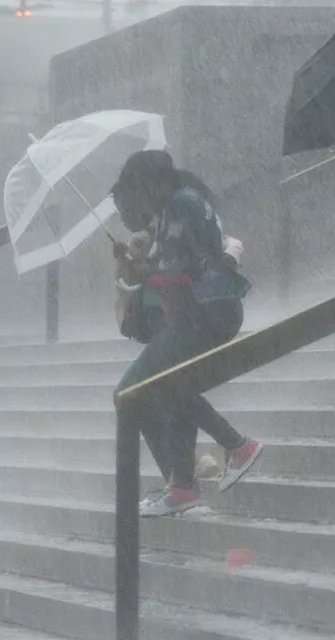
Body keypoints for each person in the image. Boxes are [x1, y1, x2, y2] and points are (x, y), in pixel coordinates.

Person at [111, 150, 263, 517]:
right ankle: (189, 479)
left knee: (133, 392)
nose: (136, 203)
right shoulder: (179, 205)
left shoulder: (181, 203)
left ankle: (202, 469)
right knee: (170, 385)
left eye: (137, 192)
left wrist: (142, 269)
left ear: (153, 183)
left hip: (203, 313)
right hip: (204, 312)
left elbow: (176, 268)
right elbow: (180, 261)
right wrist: (140, 266)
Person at [113, 216, 249, 490]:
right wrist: (126, 271)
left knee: (142, 393)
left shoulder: (172, 240)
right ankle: (190, 474)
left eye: (141, 241)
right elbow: (127, 325)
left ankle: (189, 476)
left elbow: (232, 244)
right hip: (173, 341)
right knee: (161, 393)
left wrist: (225, 260)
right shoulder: (136, 278)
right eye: (133, 244)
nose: (135, 246)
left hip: (197, 328)